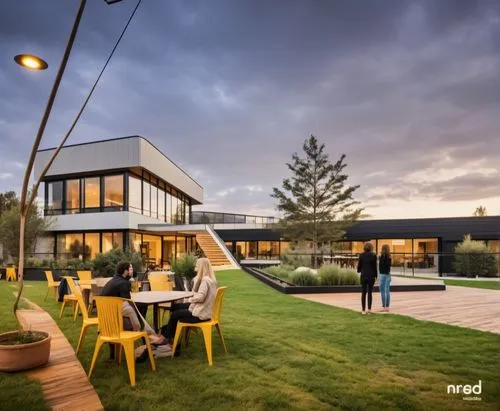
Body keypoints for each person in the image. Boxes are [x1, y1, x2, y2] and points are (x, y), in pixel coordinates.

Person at [100, 261, 166, 345]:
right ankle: (148, 335)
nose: (132, 270)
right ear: (125, 271)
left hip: (105, 311)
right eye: (131, 268)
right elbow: (127, 301)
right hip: (112, 311)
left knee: (135, 308)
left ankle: (150, 335)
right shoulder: (124, 283)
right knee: (132, 309)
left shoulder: (114, 280)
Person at [160, 257, 217, 355]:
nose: (196, 267)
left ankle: (165, 337)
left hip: (200, 314)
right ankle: (168, 334)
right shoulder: (211, 280)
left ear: (202, 267)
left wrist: (189, 299)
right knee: (176, 307)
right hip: (205, 311)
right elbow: (201, 296)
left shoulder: (205, 281)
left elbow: (200, 298)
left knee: (175, 314)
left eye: (197, 266)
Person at [357, 242, 377, 314]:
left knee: (363, 292)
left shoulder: (361, 255)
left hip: (363, 275)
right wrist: (376, 276)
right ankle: (369, 309)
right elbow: (375, 267)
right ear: (371, 247)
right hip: (371, 276)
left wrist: (359, 270)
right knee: (370, 293)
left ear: (364, 247)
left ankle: (363, 310)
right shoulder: (374, 255)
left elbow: (359, 266)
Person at [379, 244, 392, 312]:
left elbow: (383, 266)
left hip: (384, 275)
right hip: (387, 275)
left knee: (384, 291)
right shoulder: (388, 256)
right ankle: (386, 307)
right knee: (386, 291)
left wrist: (383, 256)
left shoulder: (384, 257)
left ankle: (385, 307)